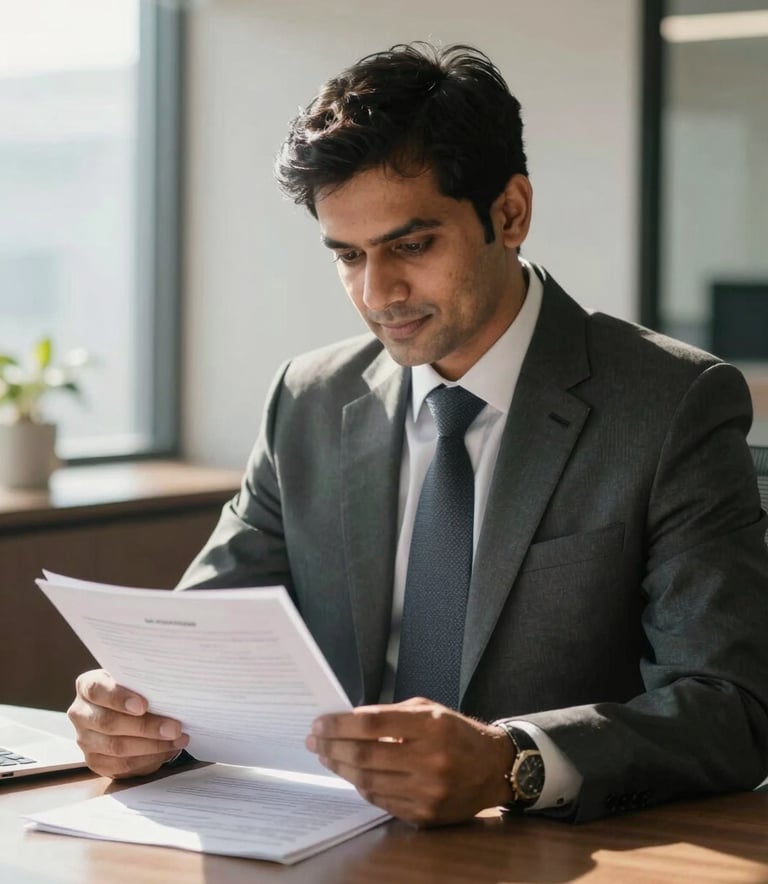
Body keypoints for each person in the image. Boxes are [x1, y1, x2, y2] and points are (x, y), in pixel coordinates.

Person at [67, 42, 768, 826]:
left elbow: (731, 709)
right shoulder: (308, 398)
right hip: (321, 841)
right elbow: (198, 650)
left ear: (510, 212)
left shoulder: (671, 402)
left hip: (544, 853)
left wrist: (515, 762)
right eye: (347, 256)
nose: (378, 293)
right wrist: (132, 714)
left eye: (412, 245)